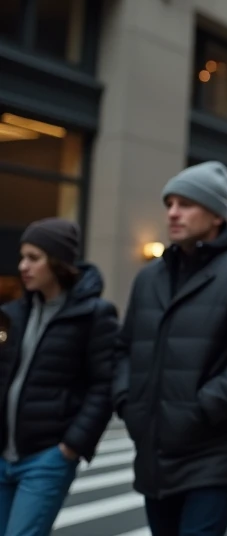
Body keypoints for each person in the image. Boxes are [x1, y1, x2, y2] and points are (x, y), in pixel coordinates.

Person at [113, 162, 227, 535]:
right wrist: (128, 401)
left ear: (217, 215)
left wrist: (201, 407)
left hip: (212, 451)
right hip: (155, 449)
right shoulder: (148, 278)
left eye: (186, 203)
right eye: (170, 203)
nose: (172, 212)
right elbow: (123, 348)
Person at [0, 219, 117, 535]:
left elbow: (104, 385)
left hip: (46, 458)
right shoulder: (13, 313)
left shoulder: (94, 315)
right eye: (22, 257)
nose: (23, 266)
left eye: (34, 258)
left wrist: (71, 446)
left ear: (57, 262)